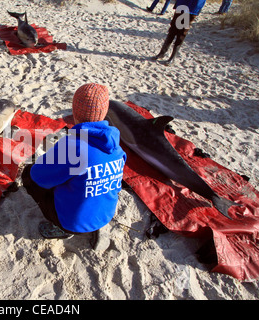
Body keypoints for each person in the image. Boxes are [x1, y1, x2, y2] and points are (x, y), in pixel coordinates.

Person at [22, 83, 127, 247]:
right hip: (105, 215)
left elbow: (38, 177)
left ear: (75, 112)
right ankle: (94, 224)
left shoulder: (73, 146)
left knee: (28, 175)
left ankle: (63, 230)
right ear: (104, 112)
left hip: (73, 223)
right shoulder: (116, 147)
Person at [153, 0, 207, 65]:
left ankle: (172, 58)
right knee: (173, 29)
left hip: (192, 6)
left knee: (182, 33)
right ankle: (162, 53)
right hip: (182, 4)